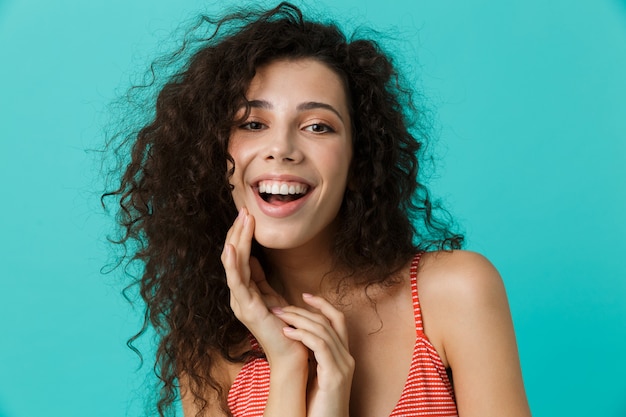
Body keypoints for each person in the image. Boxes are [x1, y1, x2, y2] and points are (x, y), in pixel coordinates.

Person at [103, 2, 531, 416]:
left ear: (358, 159)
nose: (282, 149)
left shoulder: (454, 292)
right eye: (253, 124)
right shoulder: (211, 347)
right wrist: (289, 368)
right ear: (215, 157)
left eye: (317, 126)